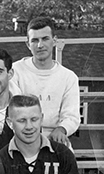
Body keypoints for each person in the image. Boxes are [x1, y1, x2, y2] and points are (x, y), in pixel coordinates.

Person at [10, 17, 80, 145]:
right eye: (35, 40)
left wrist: (62, 129)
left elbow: (71, 116)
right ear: (28, 44)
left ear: (54, 41)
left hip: (55, 138)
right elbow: (16, 112)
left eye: (45, 39)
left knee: (66, 160)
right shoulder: (15, 71)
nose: (40, 45)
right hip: (23, 137)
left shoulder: (68, 77)